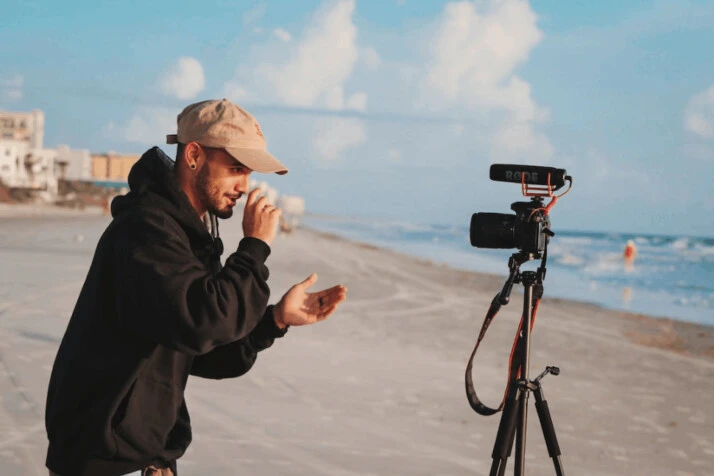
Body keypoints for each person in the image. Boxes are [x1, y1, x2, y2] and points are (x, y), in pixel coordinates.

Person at [44, 99, 348, 476]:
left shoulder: (189, 236)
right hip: (102, 458)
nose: (244, 186)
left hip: (147, 457)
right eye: (236, 168)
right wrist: (254, 249)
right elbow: (204, 322)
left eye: (248, 172)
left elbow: (205, 351)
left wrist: (274, 322)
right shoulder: (147, 230)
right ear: (193, 156)